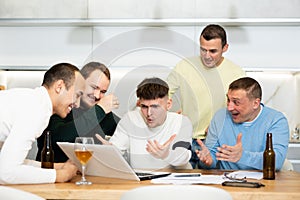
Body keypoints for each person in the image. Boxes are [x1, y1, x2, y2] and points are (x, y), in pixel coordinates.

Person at [166, 24, 245, 168]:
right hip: (186, 139)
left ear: (225, 48)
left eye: (213, 51)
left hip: (217, 142)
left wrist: (221, 124)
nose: (207, 56)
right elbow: (163, 95)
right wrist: (171, 118)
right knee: (181, 185)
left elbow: (242, 109)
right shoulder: (185, 66)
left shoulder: (236, 73)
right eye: (203, 49)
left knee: (212, 185)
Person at [0, 63, 85, 184]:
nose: (77, 103)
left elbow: (9, 162)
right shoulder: (36, 109)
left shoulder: (32, 100)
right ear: (59, 86)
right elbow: (6, 173)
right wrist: (61, 175)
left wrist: (57, 167)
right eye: (77, 95)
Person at [97, 77, 193, 170]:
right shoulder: (130, 119)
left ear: (168, 104)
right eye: (144, 107)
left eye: (155, 107)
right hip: (140, 181)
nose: (149, 113)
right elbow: (116, 151)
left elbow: (184, 156)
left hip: (172, 182)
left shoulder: (182, 122)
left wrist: (166, 154)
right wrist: (108, 150)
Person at [196, 77, 289, 170]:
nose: (229, 107)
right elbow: (211, 156)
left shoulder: (276, 120)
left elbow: (277, 161)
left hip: (263, 181)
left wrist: (242, 156)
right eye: (228, 100)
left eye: (236, 102)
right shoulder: (220, 117)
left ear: (255, 103)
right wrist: (207, 160)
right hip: (225, 181)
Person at [36, 62, 120, 163]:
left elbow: (126, 134)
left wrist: (113, 149)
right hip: (54, 174)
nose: (97, 96)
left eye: (103, 92)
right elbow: (58, 138)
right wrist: (99, 109)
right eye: (94, 87)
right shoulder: (61, 106)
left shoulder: (104, 115)